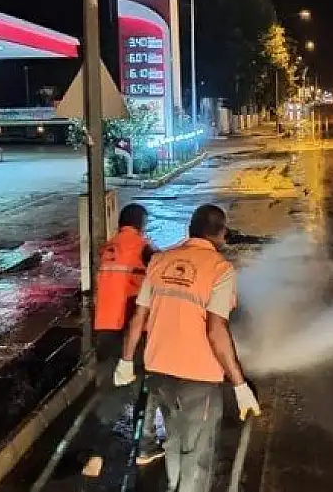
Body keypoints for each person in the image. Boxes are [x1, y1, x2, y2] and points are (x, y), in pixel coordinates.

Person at [115, 204, 261, 492]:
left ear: (190, 230)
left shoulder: (160, 261)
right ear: (220, 234)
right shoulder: (220, 268)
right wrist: (239, 384)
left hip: (159, 370)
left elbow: (138, 317)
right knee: (197, 455)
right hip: (199, 377)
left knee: (174, 441)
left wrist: (126, 361)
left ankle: (173, 486)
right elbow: (216, 329)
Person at [82, 204, 163, 477]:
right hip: (132, 330)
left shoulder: (108, 249)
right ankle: (145, 447)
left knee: (108, 391)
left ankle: (96, 455)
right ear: (141, 223)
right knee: (145, 386)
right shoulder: (144, 248)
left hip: (104, 329)